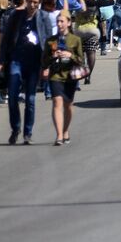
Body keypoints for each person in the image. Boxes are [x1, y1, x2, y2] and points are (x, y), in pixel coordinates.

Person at [2, 0, 53, 145]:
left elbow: (50, 42)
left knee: (30, 98)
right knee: (12, 96)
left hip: (34, 62)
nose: (32, 5)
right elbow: (7, 38)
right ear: (26, 0)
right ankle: (15, 128)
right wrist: (1, 59)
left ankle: (27, 133)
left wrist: (47, 65)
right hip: (17, 60)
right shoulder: (16, 16)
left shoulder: (44, 17)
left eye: (35, 2)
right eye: (30, 1)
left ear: (39, 3)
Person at [41, 9, 84, 147]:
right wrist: (52, 57)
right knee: (56, 102)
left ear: (69, 23)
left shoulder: (75, 40)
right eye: (58, 21)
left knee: (68, 106)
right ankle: (59, 135)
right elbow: (44, 61)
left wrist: (70, 55)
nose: (59, 24)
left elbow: (81, 61)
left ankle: (65, 130)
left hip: (70, 76)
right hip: (56, 76)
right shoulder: (51, 41)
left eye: (62, 21)